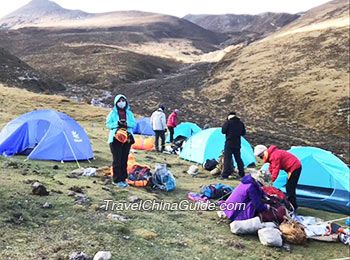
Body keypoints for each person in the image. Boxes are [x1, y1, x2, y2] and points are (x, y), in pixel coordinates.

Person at [254, 144, 302, 210]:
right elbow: (271, 169)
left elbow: (275, 171)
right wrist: (265, 177)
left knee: (290, 188)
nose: (261, 158)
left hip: (294, 167)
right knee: (289, 187)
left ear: (264, 153)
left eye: (261, 157)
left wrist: (269, 182)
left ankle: (293, 206)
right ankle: (290, 204)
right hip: (292, 168)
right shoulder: (272, 155)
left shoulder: (274, 156)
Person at [106, 94, 136, 188]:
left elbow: (134, 124)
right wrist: (117, 123)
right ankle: (117, 179)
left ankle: (123, 178)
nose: (121, 103)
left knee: (124, 159)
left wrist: (126, 123)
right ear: (116, 103)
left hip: (127, 138)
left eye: (123, 101)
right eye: (120, 101)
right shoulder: (112, 113)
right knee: (117, 159)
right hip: (115, 139)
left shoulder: (129, 114)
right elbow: (108, 124)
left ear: (126, 102)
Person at [219, 112, 246, 180]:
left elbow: (223, 131)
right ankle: (242, 174)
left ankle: (225, 175)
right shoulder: (240, 123)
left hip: (229, 143)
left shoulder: (228, 123)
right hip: (237, 143)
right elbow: (243, 133)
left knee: (227, 159)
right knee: (238, 159)